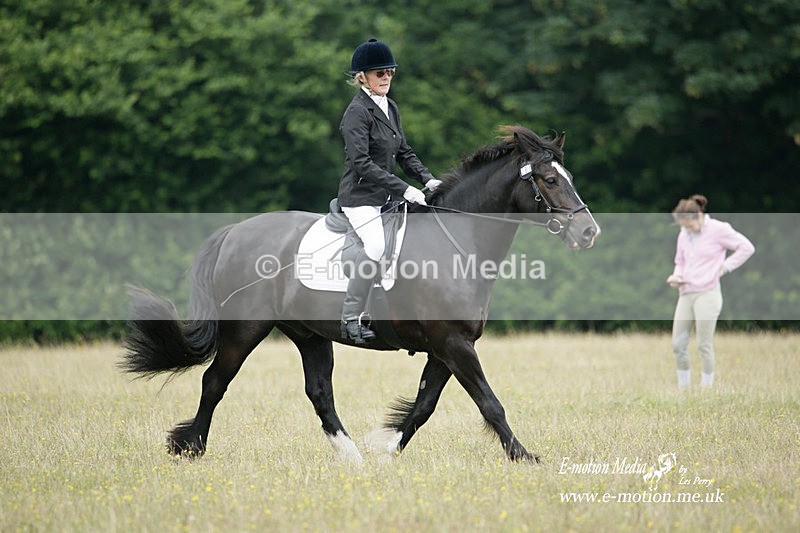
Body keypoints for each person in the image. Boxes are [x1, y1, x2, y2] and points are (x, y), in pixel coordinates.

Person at [337, 38, 441, 344]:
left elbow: (405, 153)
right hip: (360, 199)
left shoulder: (390, 107)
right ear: (362, 77)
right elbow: (361, 163)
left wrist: (429, 179)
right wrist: (406, 189)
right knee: (376, 248)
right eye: (379, 72)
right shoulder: (356, 112)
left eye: (390, 72)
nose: (386, 77)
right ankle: (351, 318)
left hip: (387, 197)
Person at [666, 194, 754, 389]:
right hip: (686, 292)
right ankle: (684, 389)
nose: (687, 229)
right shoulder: (684, 233)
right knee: (678, 344)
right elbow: (680, 261)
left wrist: (724, 267)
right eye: (684, 226)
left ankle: (706, 389)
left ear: (698, 216)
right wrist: (676, 276)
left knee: (702, 344)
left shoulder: (718, 230)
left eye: (689, 225)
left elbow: (746, 247)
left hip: (707, 293)